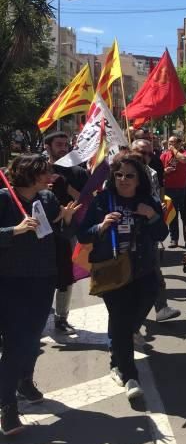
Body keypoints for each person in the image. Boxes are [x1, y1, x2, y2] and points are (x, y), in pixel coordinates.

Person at [0, 154, 80, 435]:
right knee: (15, 343)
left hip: (43, 278)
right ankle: (6, 404)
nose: (51, 176)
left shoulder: (46, 200)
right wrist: (14, 230)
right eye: (46, 172)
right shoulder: (3, 198)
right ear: (31, 174)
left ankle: (25, 380)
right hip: (11, 281)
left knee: (33, 338)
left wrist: (67, 220)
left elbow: (58, 233)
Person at [78, 155, 167, 401]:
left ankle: (119, 351)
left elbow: (161, 233)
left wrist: (151, 214)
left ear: (139, 179)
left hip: (143, 270)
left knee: (130, 320)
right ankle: (129, 375)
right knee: (120, 320)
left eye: (129, 175)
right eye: (119, 175)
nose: (124, 180)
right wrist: (101, 227)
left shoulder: (148, 201)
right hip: (113, 272)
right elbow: (83, 235)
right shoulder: (102, 201)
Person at [129, 142, 181, 323]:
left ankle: (161, 308)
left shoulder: (151, 172)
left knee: (154, 272)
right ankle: (129, 323)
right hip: (126, 234)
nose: (146, 156)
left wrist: (155, 213)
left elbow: (157, 196)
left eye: (150, 153)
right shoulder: (118, 173)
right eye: (142, 152)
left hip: (148, 231)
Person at [44, 131, 88, 335]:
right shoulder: (37, 169)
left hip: (68, 229)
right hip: (40, 230)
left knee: (66, 274)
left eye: (65, 144)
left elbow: (86, 199)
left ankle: (61, 318)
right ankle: (39, 313)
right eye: (59, 144)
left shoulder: (77, 172)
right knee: (40, 273)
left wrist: (66, 186)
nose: (63, 147)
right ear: (47, 146)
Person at [160, 136, 186, 248]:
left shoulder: (185, 152)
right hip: (169, 189)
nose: (170, 144)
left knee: (185, 215)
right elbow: (158, 171)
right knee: (172, 215)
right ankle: (174, 239)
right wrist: (164, 171)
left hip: (183, 189)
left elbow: (183, 159)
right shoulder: (164, 155)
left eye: (173, 142)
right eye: (169, 143)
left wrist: (173, 150)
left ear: (179, 143)